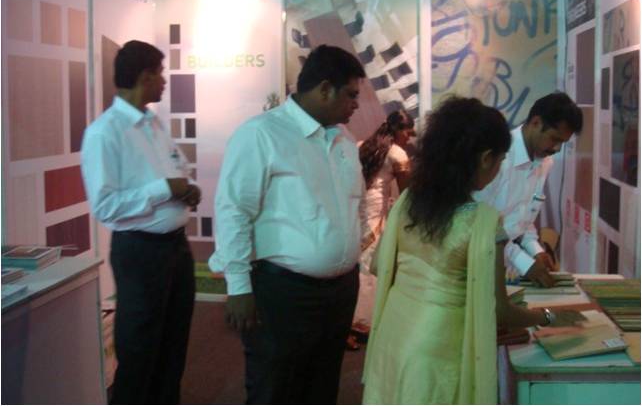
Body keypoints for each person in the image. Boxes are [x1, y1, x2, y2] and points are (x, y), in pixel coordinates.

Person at [362, 96, 584, 404]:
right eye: (500, 160)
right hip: (439, 347)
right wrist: (548, 317)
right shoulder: (482, 222)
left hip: (394, 333)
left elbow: (379, 265)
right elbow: (499, 310)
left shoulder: (408, 202)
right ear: (486, 159)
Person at [209, 45, 367, 404]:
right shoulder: (262, 134)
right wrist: (238, 287)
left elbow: (354, 205)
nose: (356, 104)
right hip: (282, 292)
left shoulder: (343, 140)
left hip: (340, 291)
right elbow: (234, 212)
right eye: (351, 95)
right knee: (276, 387)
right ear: (324, 89)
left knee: (322, 386)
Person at [81, 40, 201, 404]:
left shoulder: (153, 123)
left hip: (176, 248)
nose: (164, 82)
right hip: (139, 252)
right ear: (145, 76)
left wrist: (186, 188)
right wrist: (164, 189)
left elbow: (176, 168)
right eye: (160, 74)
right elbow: (106, 207)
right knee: (139, 351)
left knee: (173, 346)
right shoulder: (104, 132)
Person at [474, 92, 583, 287]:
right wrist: (524, 262)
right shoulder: (500, 157)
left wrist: (536, 250)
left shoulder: (545, 162)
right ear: (536, 123)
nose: (557, 149)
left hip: (506, 266)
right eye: (554, 139)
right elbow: (479, 226)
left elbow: (523, 218)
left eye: (563, 143)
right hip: (478, 262)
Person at [348, 109, 415, 350]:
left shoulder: (362, 146)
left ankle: (350, 322)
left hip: (356, 210)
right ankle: (363, 321)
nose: (409, 137)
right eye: (408, 132)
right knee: (371, 264)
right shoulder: (397, 153)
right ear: (398, 129)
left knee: (359, 263)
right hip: (375, 216)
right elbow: (407, 194)